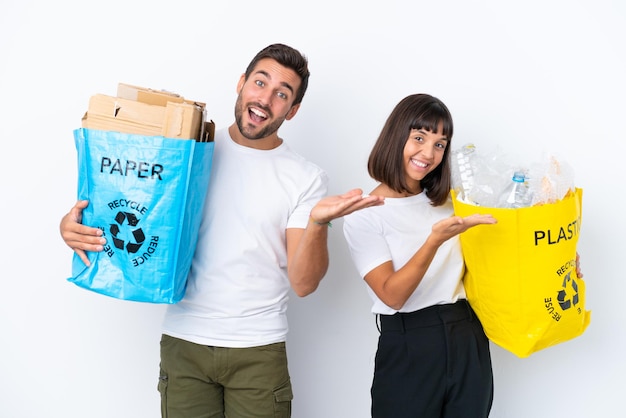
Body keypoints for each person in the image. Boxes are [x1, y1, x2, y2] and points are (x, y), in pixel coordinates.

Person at [60, 43, 384, 418]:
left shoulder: (305, 178)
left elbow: (304, 282)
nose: (266, 98)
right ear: (241, 83)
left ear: (292, 111)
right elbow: (131, 209)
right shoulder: (186, 151)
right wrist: (74, 227)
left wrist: (318, 223)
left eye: (282, 94)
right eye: (260, 82)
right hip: (185, 345)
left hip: (258, 352)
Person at [342, 93, 497, 418]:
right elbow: (392, 295)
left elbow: (490, 260)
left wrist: (550, 263)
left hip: (467, 335)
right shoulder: (365, 215)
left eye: (440, 144)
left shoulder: (453, 203)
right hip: (410, 342)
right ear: (396, 136)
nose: (428, 153)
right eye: (419, 138)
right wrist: (433, 241)